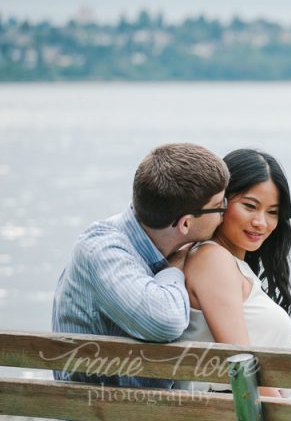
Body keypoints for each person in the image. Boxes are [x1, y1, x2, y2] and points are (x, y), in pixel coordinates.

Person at [51, 143, 230, 398]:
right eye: (219, 205)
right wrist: (176, 267)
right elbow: (164, 321)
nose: (226, 209)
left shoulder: (151, 237)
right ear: (185, 223)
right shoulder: (102, 250)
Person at [176, 148, 291, 397]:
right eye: (250, 206)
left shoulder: (229, 264)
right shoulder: (212, 260)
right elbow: (242, 362)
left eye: (272, 212)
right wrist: (288, 417)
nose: (261, 222)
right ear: (220, 201)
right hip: (236, 415)